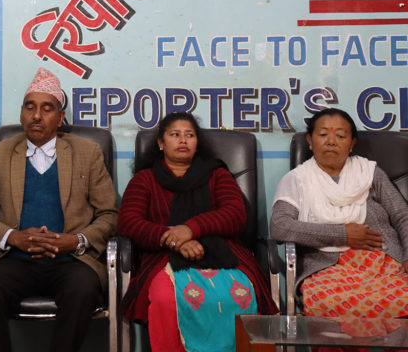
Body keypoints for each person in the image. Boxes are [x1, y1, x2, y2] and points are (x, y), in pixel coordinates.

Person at [0, 67, 117, 352]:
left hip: (72, 261)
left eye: (47, 109)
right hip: (15, 259)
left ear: (60, 118)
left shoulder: (87, 153)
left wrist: (75, 240)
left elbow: (109, 214)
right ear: (21, 114)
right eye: (30, 107)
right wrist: (14, 237)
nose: (36, 116)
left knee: (83, 290)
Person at [117, 112, 276, 352]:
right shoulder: (145, 179)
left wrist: (190, 229)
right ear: (161, 143)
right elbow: (129, 222)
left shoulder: (217, 175)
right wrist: (174, 240)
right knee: (166, 299)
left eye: (189, 135)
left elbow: (235, 214)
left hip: (224, 253)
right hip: (162, 256)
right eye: (175, 135)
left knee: (240, 296)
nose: (183, 140)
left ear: (197, 142)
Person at [270, 108, 408, 318]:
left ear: (352, 143)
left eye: (341, 136)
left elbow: (402, 215)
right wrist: (342, 234)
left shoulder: (369, 173)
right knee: (326, 302)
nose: (331, 141)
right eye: (323, 134)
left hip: (384, 264)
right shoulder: (297, 180)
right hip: (327, 270)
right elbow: (280, 226)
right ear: (310, 140)